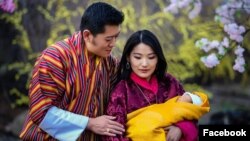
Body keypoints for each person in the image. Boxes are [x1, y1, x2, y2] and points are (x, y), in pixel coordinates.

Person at [19, 2, 125, 141]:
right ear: (87, 35)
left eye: (116, 37)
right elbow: (41, 112)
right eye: (108, 39)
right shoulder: (55, 58)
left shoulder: (110, 63)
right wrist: (89, 123)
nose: (113, 44)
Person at [102, 30, 210, 141]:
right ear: (128, 58)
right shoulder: (122, 91)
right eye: (138, 57)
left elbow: (189, 114)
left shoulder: (169, 83)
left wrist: (181, 128)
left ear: (158, 58)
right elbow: (112, 134)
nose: (144, 64)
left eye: (151, 57)